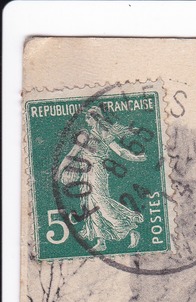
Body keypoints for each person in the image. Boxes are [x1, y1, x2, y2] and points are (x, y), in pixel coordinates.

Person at [55, 106, 147, 252]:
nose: (87, 119)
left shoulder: (103, 133)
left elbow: (120, 151)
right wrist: (60, 171)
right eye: (86, 117)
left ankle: (128, 229)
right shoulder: (86, 135)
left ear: (96, 117)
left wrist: (136, 157)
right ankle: (101, 240)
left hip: (97, 171)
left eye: (89, 116)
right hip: (86, 172)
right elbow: (72, 154)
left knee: (102, 203)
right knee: (90, 205)